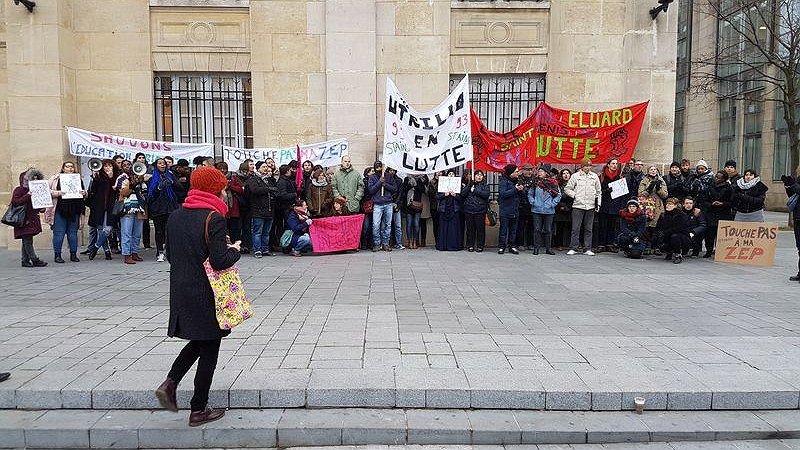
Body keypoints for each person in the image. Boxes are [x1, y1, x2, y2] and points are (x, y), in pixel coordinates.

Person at [155, 167, 240, 427]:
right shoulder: (213, 217)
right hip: (207, 292)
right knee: (210, 347)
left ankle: (170, 383)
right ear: (216, 189)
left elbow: (170, 254)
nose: (225, 192)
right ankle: (198, 409)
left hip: (181, 288)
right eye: (223, 188)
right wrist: (235, 249)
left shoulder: (176, 216)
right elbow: (220, 260)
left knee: (200, 341)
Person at [45, 161, 85, 263]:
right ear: (63, 169)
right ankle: (57, 255)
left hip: (74, 210)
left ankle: (73, 254)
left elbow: (84, 193)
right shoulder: (55, 178)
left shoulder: (78, 178)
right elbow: (46, 190)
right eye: (67, 167)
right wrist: (58, 193)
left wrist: (84, 192)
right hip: (60, 210)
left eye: (72, 167)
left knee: (73, 233)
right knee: (59, 233)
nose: (70, 168)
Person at [564, 158, 601, 256]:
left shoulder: (594, 177)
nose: (588, 168)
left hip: (591, 206)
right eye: (586, 166)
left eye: (589, 166)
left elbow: (598, 192)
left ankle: (587, 248)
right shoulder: (575, 176)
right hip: (578, 206)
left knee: (588, 228)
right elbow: (567, 189)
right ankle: (573, 247)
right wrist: (575, 195)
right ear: (582, 166)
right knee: (575, 228)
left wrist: (598, 204)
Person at [11, 168, 48, 267]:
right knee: (28, 240)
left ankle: (25, 260)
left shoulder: (36, 189)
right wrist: (28, 195)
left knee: (26, 240)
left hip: (32, 218)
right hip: (23, 219)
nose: (34, 180)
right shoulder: (19, 190)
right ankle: (34, 259)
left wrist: (42, 207)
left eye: (36, 178)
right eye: (32, 178)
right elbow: (15, 202)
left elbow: (37, 204)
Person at [148, 158, 181, 262]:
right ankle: (160, 251)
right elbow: (150, 196)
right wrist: (158, 188)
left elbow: (180, 188)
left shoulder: (170, 175)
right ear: (156, 165)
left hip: (170, 207)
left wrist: (172, 183)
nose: (162, 165)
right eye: (160, 164)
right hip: (157, 208)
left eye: (164, 164)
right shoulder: (152, 178)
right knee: (159, 231)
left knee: (169, 230)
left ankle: (169, 251)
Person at [86, 160, 118, 261]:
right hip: (99, 207)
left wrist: (111, 177)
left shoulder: (116, 177)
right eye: (105, 166)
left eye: (110, 166)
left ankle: (95, 247)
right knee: (100, 229)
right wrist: (95, 177)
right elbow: (93, 190)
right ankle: (107, 251)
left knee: (107, 230)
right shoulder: (98, 177)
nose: (107, 168)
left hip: (111, 207)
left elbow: (116, 189)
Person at [246, 161, 278, 258]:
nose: (265, 168)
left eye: (266, 167)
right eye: (263, 167)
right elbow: (255, 190)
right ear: (258, 168)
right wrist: (268, 189)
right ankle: (257, 250)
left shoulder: (269, 179)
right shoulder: (253, 179)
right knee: (257, 232)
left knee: (266, 232)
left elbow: (275, 189)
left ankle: (265, 249)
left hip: (269, 210)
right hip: (258, 210)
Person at [116, 164, 146, 264]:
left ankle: (134, 252)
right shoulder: (123, 179)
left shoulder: (141, 179)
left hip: (139, 208)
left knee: (137, 233)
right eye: (126, 165)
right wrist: (132, 184)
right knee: (127, 232)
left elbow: (144, 193)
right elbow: (123, 193)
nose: (128, 167)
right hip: (127, 208)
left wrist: (140, 182)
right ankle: (126, 254)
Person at [528, 164, 561, 255]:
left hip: (549, 210)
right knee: (537, 229)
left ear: (546, 173)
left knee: (548, 230)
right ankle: (536, 248)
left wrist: (552, 204)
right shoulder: (535, 182)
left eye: (541, 171)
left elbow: (558, 195)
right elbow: (530, 194)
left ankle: (548, 248)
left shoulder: (553, 182)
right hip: (536, 209)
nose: (539, 173)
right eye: (539, 171)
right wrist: (533, 201)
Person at [702, 170, 734, 258]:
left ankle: (721, 251)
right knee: (710, 234)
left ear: (724, 179)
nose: (716, 178)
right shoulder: (710, 187)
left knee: (721, 234)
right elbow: (705, 200)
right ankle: (709, 250)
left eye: (719, 177)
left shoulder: (729, 188)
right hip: (711, 213)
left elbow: (731, 202)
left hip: (723, 213)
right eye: (716, 176)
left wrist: (722, 204)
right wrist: (711, 204)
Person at [597, 158, 625, 253]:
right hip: (604, 204)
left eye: (616, 164)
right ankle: (601, 244)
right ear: (608, 165)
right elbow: (597, 191)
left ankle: (609, 244)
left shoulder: (620, 177)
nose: (615, 165)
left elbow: (622, 194)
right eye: (613, 163)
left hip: (614, 205)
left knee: (612, 226)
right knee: (602, 225)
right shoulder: (601, 177)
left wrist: (621, 206)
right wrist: (606, 191)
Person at [368, 161, 397, 252]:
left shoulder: (388, 176)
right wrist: (380, 182)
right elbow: (371, 190)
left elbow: (395, 189)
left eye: (380, 167)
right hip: (377, 204)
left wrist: (386, 185)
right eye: (377, 167)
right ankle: (377, 243)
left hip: (388, 203)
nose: (378, 168)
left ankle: (385, 243)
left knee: (387, 225)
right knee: (376, 225)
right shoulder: (372, 177)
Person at [462, 170, 489, 252]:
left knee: (480, 229)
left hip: (480, 210)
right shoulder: (470, 185)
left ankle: (480, 245)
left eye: (481, 175)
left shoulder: (485, 186)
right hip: (469, 210)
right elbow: (463, 194)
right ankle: (470, 245)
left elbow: (486, 195)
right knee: (470, 229)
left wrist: (476, 191)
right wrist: (469, 186)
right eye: (477, 175)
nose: (479, 177)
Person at [656, 197, 690, 264]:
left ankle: (678, 255)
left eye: (670, 204)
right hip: (667, 235)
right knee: (660, 238)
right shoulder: (663, 215)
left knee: (674, 237)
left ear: (675, 206)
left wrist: (666, 233)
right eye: (667, 204)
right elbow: (659, 227)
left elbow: (679, 228)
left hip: (681, 237)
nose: (667, 205)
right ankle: (669, 251)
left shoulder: (681, 215)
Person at [435, 172, 462, 251]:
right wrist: (444, 195)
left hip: (454, 210)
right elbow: (437, 196)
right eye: (449, 174)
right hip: (444, 209)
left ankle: (453, 246)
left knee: (453, 228)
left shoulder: (458, 185)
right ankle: (443, 246)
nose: (451, 175)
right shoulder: (441, 184)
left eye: (452, 174)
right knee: (443, 228)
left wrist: (455, 195)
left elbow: (461, 198)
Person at [497, 164, 521, 254]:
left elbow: (521, 195)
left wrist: (521, 190)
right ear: (511, 173)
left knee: (513, 230)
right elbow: (503, 194)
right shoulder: (504, 181)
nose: (517, 173)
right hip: (505, 209)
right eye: (516, 171)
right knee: (503, 229)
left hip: (515, 209)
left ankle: (512, 246)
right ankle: (502, 246)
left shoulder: (517, 181)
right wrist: (515, 189)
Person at [781, 173, 800, 283]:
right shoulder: (798, 179)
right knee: (799, 247)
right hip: (798, 217)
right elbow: (793, 196)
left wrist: (793, 185)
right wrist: (788, 185)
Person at [275, 164, 298, 252]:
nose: (291, 171)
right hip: (285, 208)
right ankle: (285, 245)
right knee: (287, 227)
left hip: (288, 207)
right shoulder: (282, 182)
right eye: (289, 170)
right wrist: (294, 194)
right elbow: (282, 195)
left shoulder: (287, 180)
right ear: (286, 171)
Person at [233, 161, 254, 254]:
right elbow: (235, 188)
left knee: (247, 227)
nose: (245, 173)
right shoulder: (235, 178)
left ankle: (246, 245)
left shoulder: (251, 178)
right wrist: (241, 189)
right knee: (238, 227)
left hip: (248, 205)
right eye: (244, 171)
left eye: (247, 171)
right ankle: (238, 245)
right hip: (239, 205)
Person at [638, 165, 668, 229]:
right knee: (647, 225)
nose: (653, 171)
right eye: (651, 170)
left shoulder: (661, 180)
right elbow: (640, 195)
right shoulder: (644, 181)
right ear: (648, 171)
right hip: (646, 205)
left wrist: (658, 190)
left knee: (657, 225)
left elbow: (665, 195)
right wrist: (648, 190)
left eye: (655, 169)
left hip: (658, 205)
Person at [515, 163, 535, 250]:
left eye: (531, 170)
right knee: (520, 226)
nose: (529, 172)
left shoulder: (534, 179)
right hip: (521, 205)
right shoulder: (518, 179)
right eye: (527, 170)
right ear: (523, 170)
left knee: (531, 226)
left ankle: (530, 243)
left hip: (532, 205)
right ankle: (520, 243)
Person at [403, 175, 426, 249]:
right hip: (408, 205)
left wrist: (415, 185)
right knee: (409, 224)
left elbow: (422, 189)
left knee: (416, 224)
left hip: (417, 205)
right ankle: (409, 241)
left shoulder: (419, 179)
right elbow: (404, 189)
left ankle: (415, 241)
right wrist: (410, 185)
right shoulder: (407, 179)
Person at [553, 169, 573, 250]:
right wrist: (561, 206)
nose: (566, 175)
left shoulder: (574, 184)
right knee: (560, 228)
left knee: (572, 228)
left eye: (567, 173)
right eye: (564, 173)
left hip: (571, 208)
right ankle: (559, 244)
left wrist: (569, 207)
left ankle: (572, 245)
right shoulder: (558, 185)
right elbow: (556, 196)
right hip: (560, 209)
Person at [385, 167, 405, 249]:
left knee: (398, 225)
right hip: (387, 203)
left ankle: (398, 243)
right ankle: (387, 243)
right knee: (387, 225)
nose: (392, 172)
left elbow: (400, 193)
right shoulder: (384, 180)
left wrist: (396, 203)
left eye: (393, 170)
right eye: (390, 170)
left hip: (396, 204)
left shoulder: (399, 180)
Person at [359, 167, 375, 250]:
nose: (373, 172)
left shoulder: (375, 181)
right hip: (365, 207)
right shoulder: (364, 182)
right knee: (366, 226)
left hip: (373, 206)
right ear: (367, 173)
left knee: (373, 226)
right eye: (372, 171)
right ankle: (364, 243)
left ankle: (370, 243)